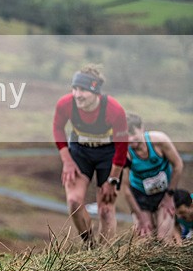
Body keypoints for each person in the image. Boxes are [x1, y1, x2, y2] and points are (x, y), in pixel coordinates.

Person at [52, 65, 128, 245]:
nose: (77, 95)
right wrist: (67, 161)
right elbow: (57, 128)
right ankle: (89, 245)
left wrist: (113, 180)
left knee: (106, 209)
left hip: (108, 154)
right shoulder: (65, 104)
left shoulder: (114, 109)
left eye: (83, 90)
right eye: (75, 88)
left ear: (96, 92)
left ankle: (106, 254)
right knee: (73, 201)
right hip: (80, 151)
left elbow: (122, 146)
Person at [120, 113, 185, 244]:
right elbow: (125, 188)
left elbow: (178, 165)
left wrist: (169, 196)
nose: (130, 139)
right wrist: (140, 217)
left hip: (164, 193)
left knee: (163, 239)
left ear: (142, 128)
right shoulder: (124, 153)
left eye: (133, 133)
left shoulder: (159, 141)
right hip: (140, 196)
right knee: (145, 240)